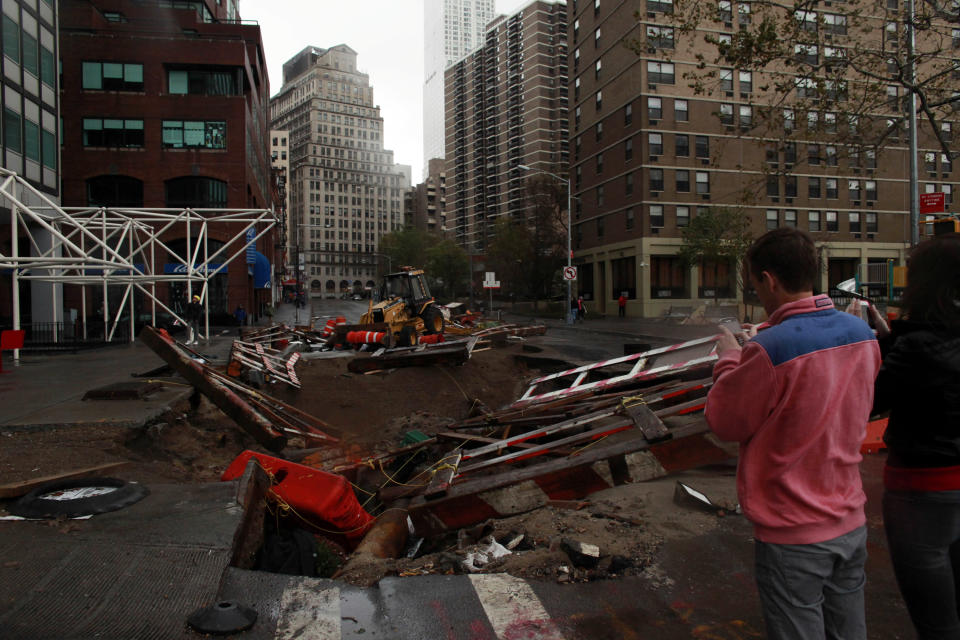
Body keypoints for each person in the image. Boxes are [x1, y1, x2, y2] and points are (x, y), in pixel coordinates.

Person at [704, 227, 881, 640]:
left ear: (769, 279)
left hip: (793, 532)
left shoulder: (770, 350)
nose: (757, 296)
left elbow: (726, 421)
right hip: (850, 521)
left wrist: (731, 357)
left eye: (755, 286)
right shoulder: (861, 336)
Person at [868, 233, 960, 638]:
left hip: (922, 490)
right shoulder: (923, 343)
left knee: (936, 621)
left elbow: (868, 402)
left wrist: (880, 345)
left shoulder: (917, 348)